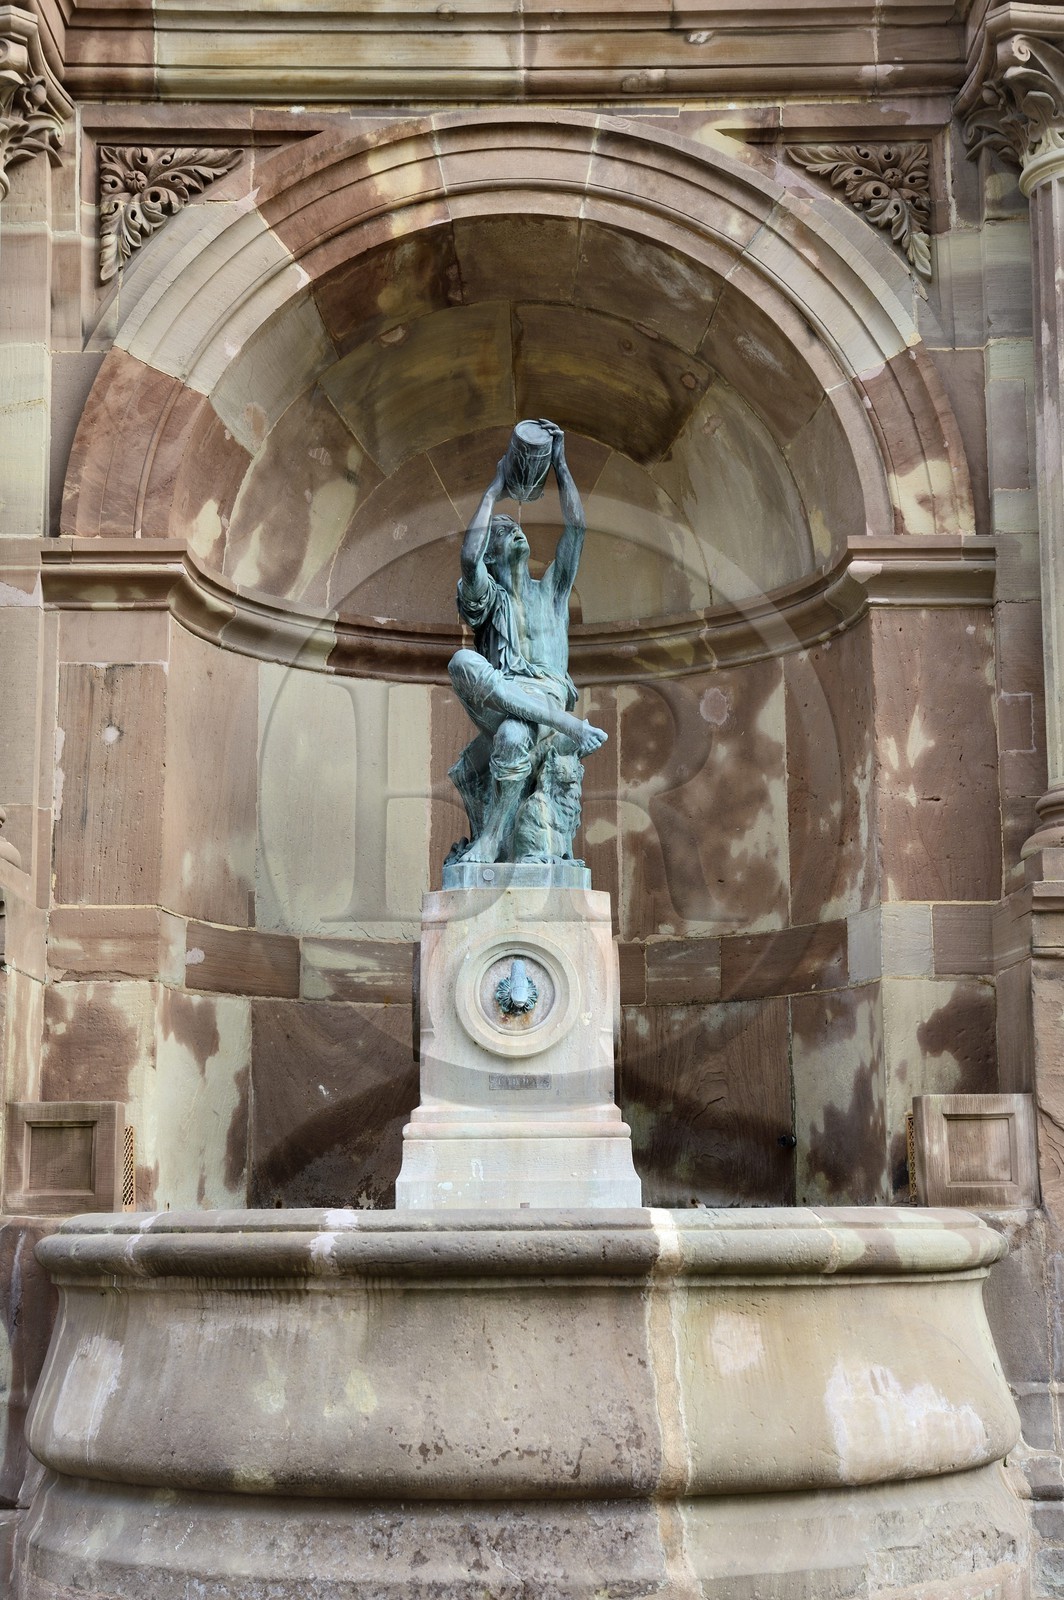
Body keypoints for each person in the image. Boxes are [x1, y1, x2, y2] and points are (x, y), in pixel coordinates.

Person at [447, 421, 607, 866]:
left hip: (547, 693)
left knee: (515, 736)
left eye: (510, 528)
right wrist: (493, 491)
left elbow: (575, 530)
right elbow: (467, 557)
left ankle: (490, 842)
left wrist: (559, 463)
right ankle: (567, 724)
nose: (513, 532)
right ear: (492, 556)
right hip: (502, 693)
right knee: (463, 660)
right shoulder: (487, 600)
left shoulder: (552, 590)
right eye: (501, 533)